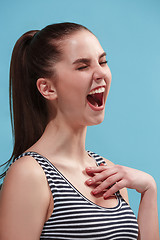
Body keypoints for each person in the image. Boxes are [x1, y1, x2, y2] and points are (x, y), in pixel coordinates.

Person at [0, 22, 159, 240]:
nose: (100, 73)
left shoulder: (109, 172)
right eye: (82, 66)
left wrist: (149, 190)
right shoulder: (30, 174)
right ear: (47, 88)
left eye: (102, 62)